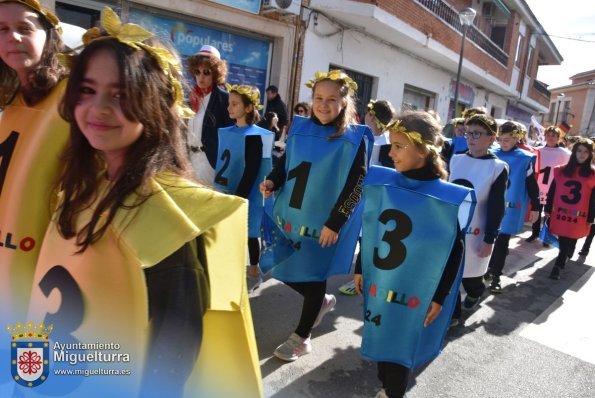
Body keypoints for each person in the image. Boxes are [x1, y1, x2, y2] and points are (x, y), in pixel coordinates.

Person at [25, 8, 261, 397]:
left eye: (122, 94)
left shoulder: (164, 215)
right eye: (87, 89)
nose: (100, 107)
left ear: (154, 105)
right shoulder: (81, 183)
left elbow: (175, 348)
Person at [354, 112, 472, 398]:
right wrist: (360, 266)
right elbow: (371, 229)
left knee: (399, 349)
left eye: (399, 146)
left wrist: (440, 295)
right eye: (391, 144)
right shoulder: (384, 181)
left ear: (423, 150)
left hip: (415, 289)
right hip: (382, 280)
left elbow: (453, 250)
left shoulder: (445, 197)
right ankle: (387, 387)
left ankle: (393, 392)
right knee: (381, 340)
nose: (390, 152)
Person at [260, 70, 373, 361]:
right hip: (290, 217)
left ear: (344, 102)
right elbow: (286, 163)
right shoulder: (299, 129)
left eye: (332, 99)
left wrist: (335, 222)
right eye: (318, 98)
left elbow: (357, 183)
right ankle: (321, 301)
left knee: (313, 276)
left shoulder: (353, 137)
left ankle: (302, 336)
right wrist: (273, 180)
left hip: (322, 227)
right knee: (280, 269)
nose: (323, 105)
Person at [0, 0, 68, 329]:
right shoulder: (11, 96)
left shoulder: (74, 97)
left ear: (49, 36)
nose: (12, 37)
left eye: (24, 28)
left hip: (48, 265)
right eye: (2, 29)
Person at [215, 84, 274, 293]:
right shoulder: (229, 132)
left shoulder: (254, 136)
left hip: (245, 194)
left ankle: (254, 272)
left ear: (248, 108)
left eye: (234, 104)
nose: (229, 108)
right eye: (229, 103)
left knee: (250, 234)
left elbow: (252, 170)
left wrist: (238, 197)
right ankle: (230, 272)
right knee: (231, 233)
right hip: (228, 190)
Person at [449, 114, 508, 320]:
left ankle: (476, 291)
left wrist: (490, 238)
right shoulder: (455, 159)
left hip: (476, 231)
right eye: (468, 132)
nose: (470, 137)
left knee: (470, 277)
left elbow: (496, 207)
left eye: (477, 133)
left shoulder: (498, 167)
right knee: (451, 274)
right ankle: (453, 317)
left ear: (492, 138)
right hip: (451, 228)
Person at [338, 98, 394, 296]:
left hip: (375, 197)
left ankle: (362, 278)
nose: (366, 116)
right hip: (359, 193)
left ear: (375, 118)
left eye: (369, 113)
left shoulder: (388, 144)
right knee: (356, 232)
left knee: (368, 236)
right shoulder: (361, 136)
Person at [484, 122, 539, 293]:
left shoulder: (525, 158)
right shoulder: (491, 153)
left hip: (509, 209)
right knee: (487, 240)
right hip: (489, 206)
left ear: (517, 138)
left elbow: (531, 184)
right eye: (500, 139)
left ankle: (495, 276)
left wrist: (536, 207)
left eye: (507, 140)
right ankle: (485, 271)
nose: (502, 143)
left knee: (501, 243)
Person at [545, 138, 595, 279]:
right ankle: (559, 264)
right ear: (574, 152)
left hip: (580, 215)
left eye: (586, 152)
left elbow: (593, 199)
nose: (582, 154)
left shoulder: (593, 174)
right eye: (579, 151)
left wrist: (591, 217)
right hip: (560, 212)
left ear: (590, 154)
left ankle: (562, 260)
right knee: (565, 239)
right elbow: (552, 190)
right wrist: (547, 208)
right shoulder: (562, 170)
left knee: (571, 238)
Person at [186, 44, 234, 185]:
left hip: (210, 162)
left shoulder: (224, 98)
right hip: (189, 160)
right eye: (197, 71)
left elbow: (231, 135)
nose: (201, 77)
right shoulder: (191, 97)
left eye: (206, 72)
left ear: (215, 73)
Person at [527, 126, 571, 243]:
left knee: (550, 213)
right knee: (536, 210)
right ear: (545, 136)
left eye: (553, 136)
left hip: (554, 189)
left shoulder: (565, 153)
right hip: (538, 186)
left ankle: (547, 236)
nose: (550, 138)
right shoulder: (537, 150)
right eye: (548, 135)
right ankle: (534, 233)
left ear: (558, 138)